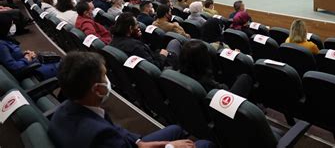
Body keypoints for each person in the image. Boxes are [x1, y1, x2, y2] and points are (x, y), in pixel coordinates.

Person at [49, 51, 213, 148]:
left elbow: (117, 133)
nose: (107, 79)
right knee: (205, 144)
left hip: (126, 144)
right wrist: (170, 147)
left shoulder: (64, 108)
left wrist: (140, 144)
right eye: (104, 74)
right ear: (97, 89)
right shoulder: (99, 134)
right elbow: (109, 135)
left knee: (175, 129)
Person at [180, 40, 252, 97]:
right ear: (203, 59)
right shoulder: (205, 80)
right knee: (244, 78)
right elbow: (224, 89)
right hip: (220, 104)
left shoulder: (179, 72)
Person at [111, 13, 180, 70]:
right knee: (175, 42)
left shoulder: (114, 41)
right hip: (163, 68)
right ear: (130, 28)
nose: (138, 26)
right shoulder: (136, 47)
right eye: (137, 24)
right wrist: (162, 55)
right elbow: (155, 66)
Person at [0, 14, 59, 80]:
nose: (13, 26)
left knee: (57, 59)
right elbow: (13, 67)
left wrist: (25, 54)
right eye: (11, 25)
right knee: (62, 65)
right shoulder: (2, 46)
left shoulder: (6, 38)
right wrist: (27, 59)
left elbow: (13, 55)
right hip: (26, 71)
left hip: (28, 65)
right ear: (4, 27)